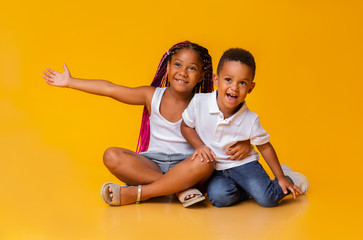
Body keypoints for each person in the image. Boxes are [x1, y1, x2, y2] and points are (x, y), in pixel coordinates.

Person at [43, 41, 251, 207]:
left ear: (202, 76)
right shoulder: (151, 95)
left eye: (192, 68)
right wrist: (70, 82)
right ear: (167, 67)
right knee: (111, 155)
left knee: (206, 161)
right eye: (177, 65)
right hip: (151, 163)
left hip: (188, 166)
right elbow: (110, 89)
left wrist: (246, 144)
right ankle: (178, 189)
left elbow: (234, 124)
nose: (183, 72)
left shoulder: (207, 103)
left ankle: (138, 193)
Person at [181, 48, 309, 207]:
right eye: (228, 79)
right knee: (219, 198)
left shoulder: (250, 119)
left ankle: (290, 178)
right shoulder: (199, 102)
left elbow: (265, 148)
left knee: (266, 199)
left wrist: (280, 176)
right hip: (216, 169)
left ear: (250, 88)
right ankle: (249, 190)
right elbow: (185, 126)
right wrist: (199, 146)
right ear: (216, 79)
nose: (234, 88)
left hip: (244, 165)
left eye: (242, 83)